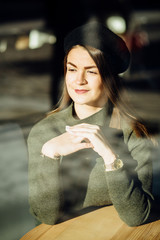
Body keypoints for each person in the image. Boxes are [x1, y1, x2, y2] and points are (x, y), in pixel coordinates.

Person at [27, 21, 156, 227]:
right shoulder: (44, 132)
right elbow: (46, 217)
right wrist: (49, 154)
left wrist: (110, 157)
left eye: (91, 71)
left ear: (109, 78)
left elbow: (137, 216)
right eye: (72, 69)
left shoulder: (132, 130)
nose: (79, 80)